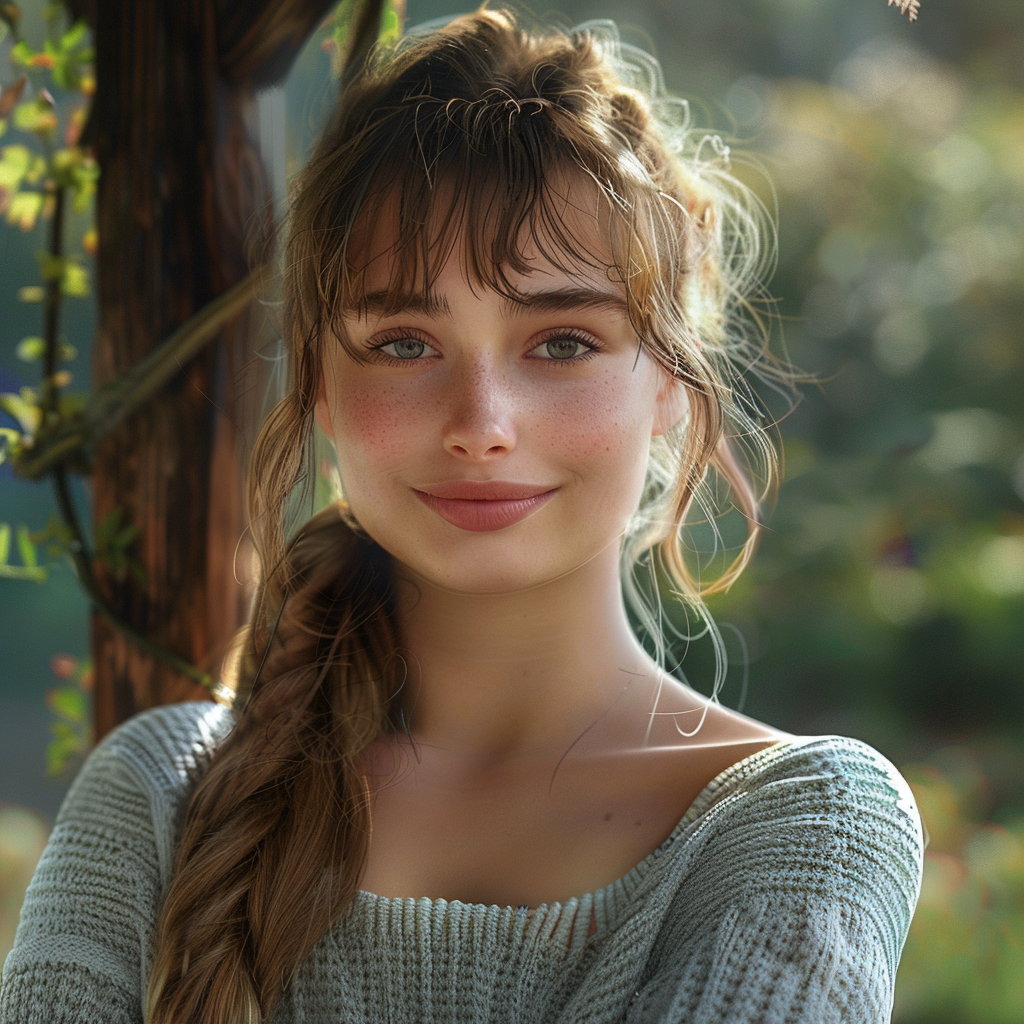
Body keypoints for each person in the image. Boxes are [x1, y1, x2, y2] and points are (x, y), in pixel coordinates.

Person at [0, 6, 924, 1023]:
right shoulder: (156, 798)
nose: (481, 424)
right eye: (403, 342)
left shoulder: (803, 821)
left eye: (562, 341)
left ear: (669, 382)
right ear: (316, 385)